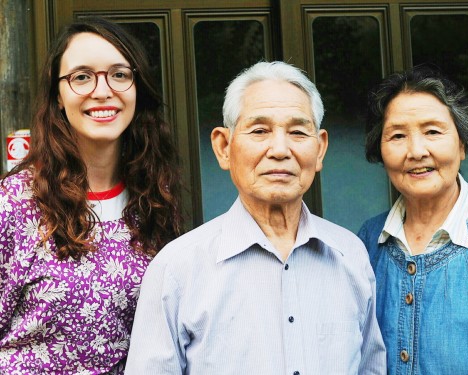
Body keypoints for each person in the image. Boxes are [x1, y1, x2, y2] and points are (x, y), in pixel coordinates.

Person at [125, 61, 386, 374]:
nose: (279, 149)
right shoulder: (178, 270)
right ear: (223, 147)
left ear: (319, 150)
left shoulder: (350, 255)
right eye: (260, 130)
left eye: (298, 132)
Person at [0, 18, 183, 374]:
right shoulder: (13, 205)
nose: (102, 91)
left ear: (136, 88)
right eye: (82, 76)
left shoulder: (153, 201)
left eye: (118, 74)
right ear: (57, 94)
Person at [358, 66, 468, 374]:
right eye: (397, 136)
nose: (416, 151)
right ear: (380, 152)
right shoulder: (366, 242)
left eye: (433, 132)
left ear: (462, 143)